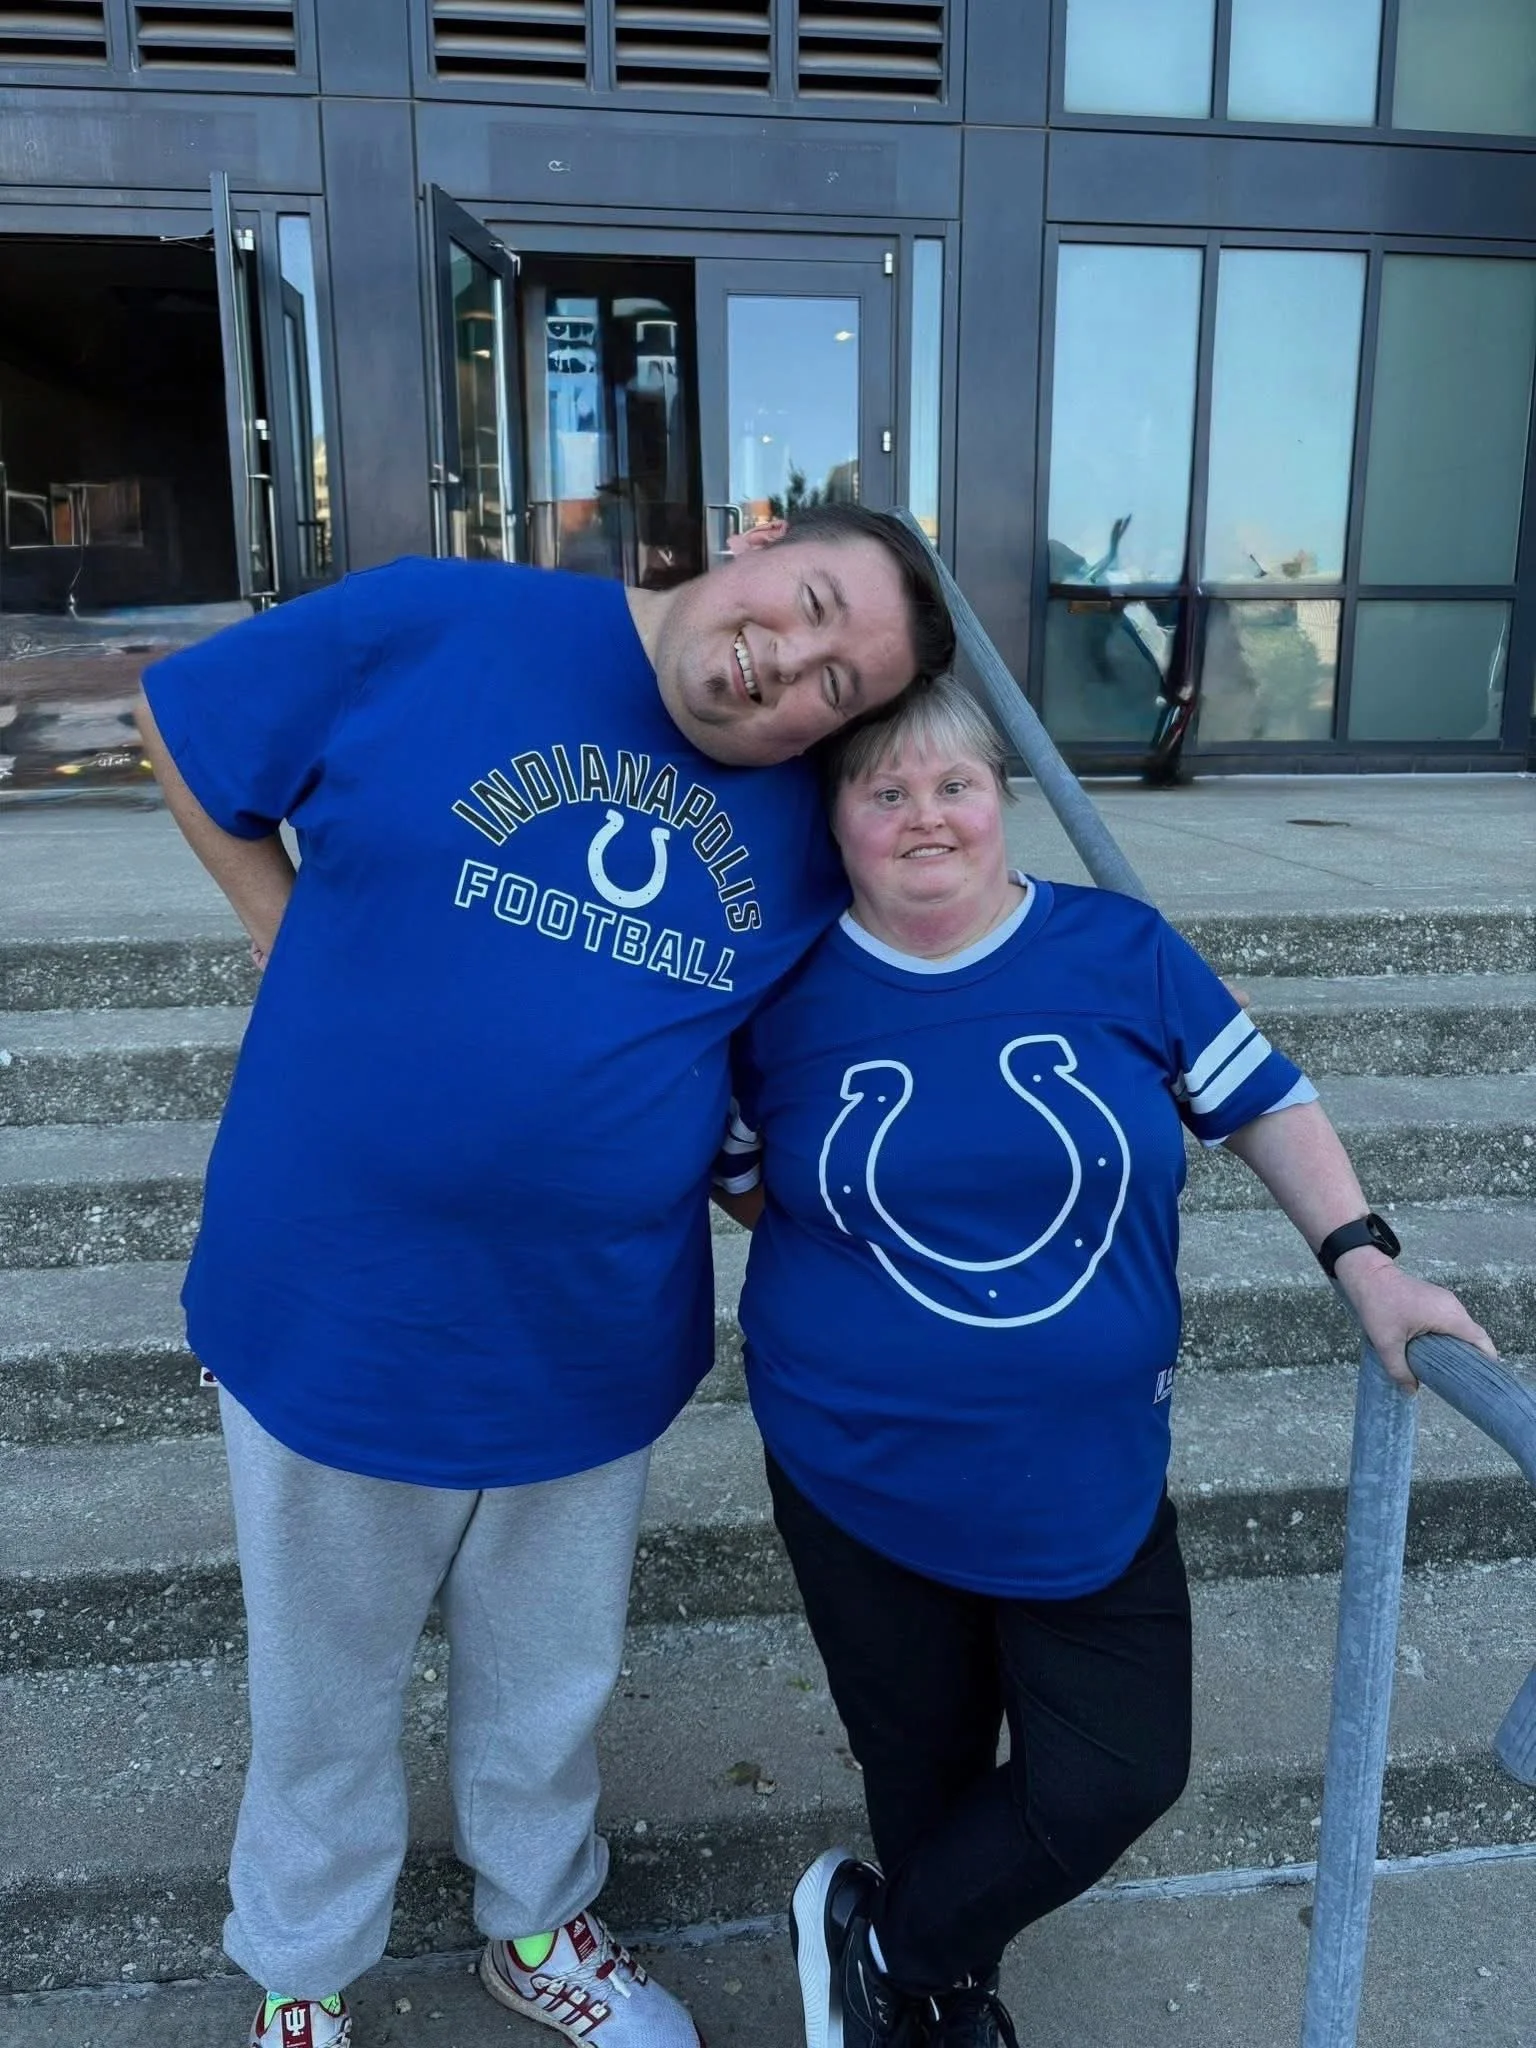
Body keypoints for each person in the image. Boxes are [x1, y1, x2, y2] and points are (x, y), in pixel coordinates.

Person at [131, 506, 954, 2048]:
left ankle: (537, 1922)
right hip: (337, 1302)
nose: (790, 665)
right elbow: (184, 719)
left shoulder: (798, 827)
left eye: (839, 687)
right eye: (810, 603)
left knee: (550, 1677)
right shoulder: (441, 618)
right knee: (324, 1686)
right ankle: (302, 1974)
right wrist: (278, 926)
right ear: (753, 542)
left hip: (588, 1331)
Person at [712, 674, 1496, 2048]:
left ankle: (881, 1945)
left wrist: (1366, 1257)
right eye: (882, 791)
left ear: (1001, 798)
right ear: (831, 820)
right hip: (857, 1467)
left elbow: (1264, 1098)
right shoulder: (780, 994)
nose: (924, 817)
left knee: (1113, 1773)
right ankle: (946, 1999)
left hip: (1086, 1471)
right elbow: (745, 1181)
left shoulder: (1123, 954)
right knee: (922, 1761)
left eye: (954, 784)